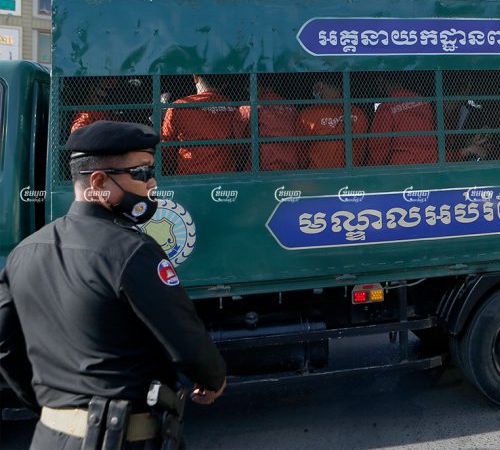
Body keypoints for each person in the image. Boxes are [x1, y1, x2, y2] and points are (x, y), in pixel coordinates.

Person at [0, 121, 226, 449]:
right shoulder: (133, 252)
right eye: (141, 173)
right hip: (122, 439)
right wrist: (213, 379)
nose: (152, 183)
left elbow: (5, 346)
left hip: (49, 436)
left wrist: (53, 408)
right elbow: (186, 341)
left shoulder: (24, 253)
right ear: (99, 181)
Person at [162, 74, 250, 175]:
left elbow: (166, 146)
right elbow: (242, 147)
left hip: (188, 177)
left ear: (195, 78)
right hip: (226, 177)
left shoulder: (179, 106)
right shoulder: (234, 108)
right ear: (224, 84)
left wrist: (167, 171)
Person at [296, 78, 368, 169]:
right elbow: (361, 147)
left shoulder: (307, 114)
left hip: (317, 176)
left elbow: (300, 150)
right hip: (350, 173)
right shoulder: (358, 113)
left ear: (320, 86)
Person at [368, 77, 437, 166]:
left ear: (381, 81)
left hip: (402, 167)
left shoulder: (386, 106)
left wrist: (375, 170)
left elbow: (379, 145)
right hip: (430, 163)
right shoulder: (423, 102)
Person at [239, 81, 300, 171]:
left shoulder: (249, 107)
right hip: (291, 163)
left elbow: (239, 139)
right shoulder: (290, 106)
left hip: (265, 164)